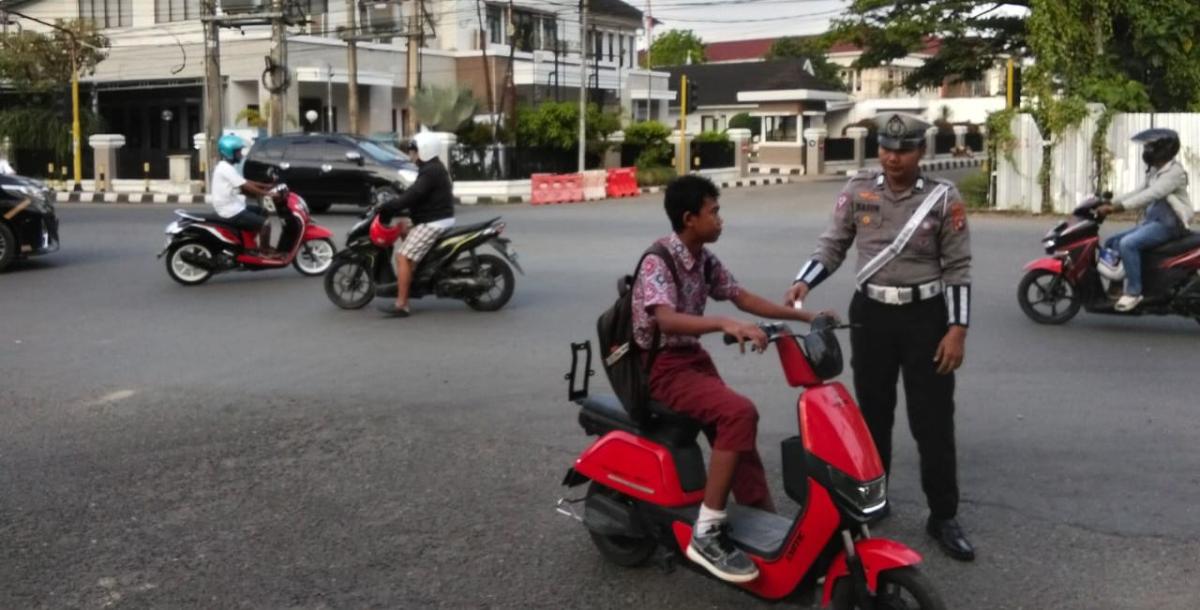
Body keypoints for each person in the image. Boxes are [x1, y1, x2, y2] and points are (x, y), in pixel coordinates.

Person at [785, 112, 976, 562]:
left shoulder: (943, 198)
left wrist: (957, 329)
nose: (894, 158)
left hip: (925, 317)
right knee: (872, 414)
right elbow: (833, 244)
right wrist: (803, 282)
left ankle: (943, 515)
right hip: (870, 314)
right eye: (887, 149)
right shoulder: (857, 190)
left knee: (931, 419)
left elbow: (959, 269)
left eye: (904, 149)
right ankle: (875, 499)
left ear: (921, 152)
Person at [635, 175, 828, 583]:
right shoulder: (659, 259)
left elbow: (741, 296)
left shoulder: (703, 259)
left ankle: (763, 526)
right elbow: (665, 317)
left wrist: (807, 316)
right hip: (662, 366)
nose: (721, 220)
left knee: (740, 433)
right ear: (689, 218)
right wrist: (724, 322)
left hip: (692, 361)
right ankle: (706, 532)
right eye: (714, 212)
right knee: (739, 413)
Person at [1095, 128, 1193, 312]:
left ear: (1163, 149)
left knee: (1128, 244)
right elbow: (1138, 191)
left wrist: (1116, 208)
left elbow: (1150, 194)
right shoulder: (1156, 170)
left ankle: (1134, 292)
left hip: (1170, 224)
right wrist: (1109, 202)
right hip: (1155, 221)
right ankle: (1116, 286)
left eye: (1150, 147)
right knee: (1112, 242)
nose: (1146, 151)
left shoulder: (1174, 172)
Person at [376, 131, 455, 317]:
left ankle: (402, 304)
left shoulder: (430, 171)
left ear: (424, 150)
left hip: (434, 222)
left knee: (402, 256)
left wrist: (390, 206)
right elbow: (415, 192)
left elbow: (414, 195)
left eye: (413, 151)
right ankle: (414, 275)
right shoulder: (431, 168)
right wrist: (397, 200)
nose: (411, 154)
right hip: (433, 218)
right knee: (402, 227)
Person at [210, 133, 278, 254]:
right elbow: (245, 186)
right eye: (238, 152)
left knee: (263, 212)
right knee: (266, 224)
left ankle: (249, 243)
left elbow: (244, 181)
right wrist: (267, 194)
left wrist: (266, 186)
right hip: (230, 210)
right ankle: (265, 250)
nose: (241, 154)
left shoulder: (227, 167)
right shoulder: (225, 168)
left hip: (235, 205)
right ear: (229, 152)